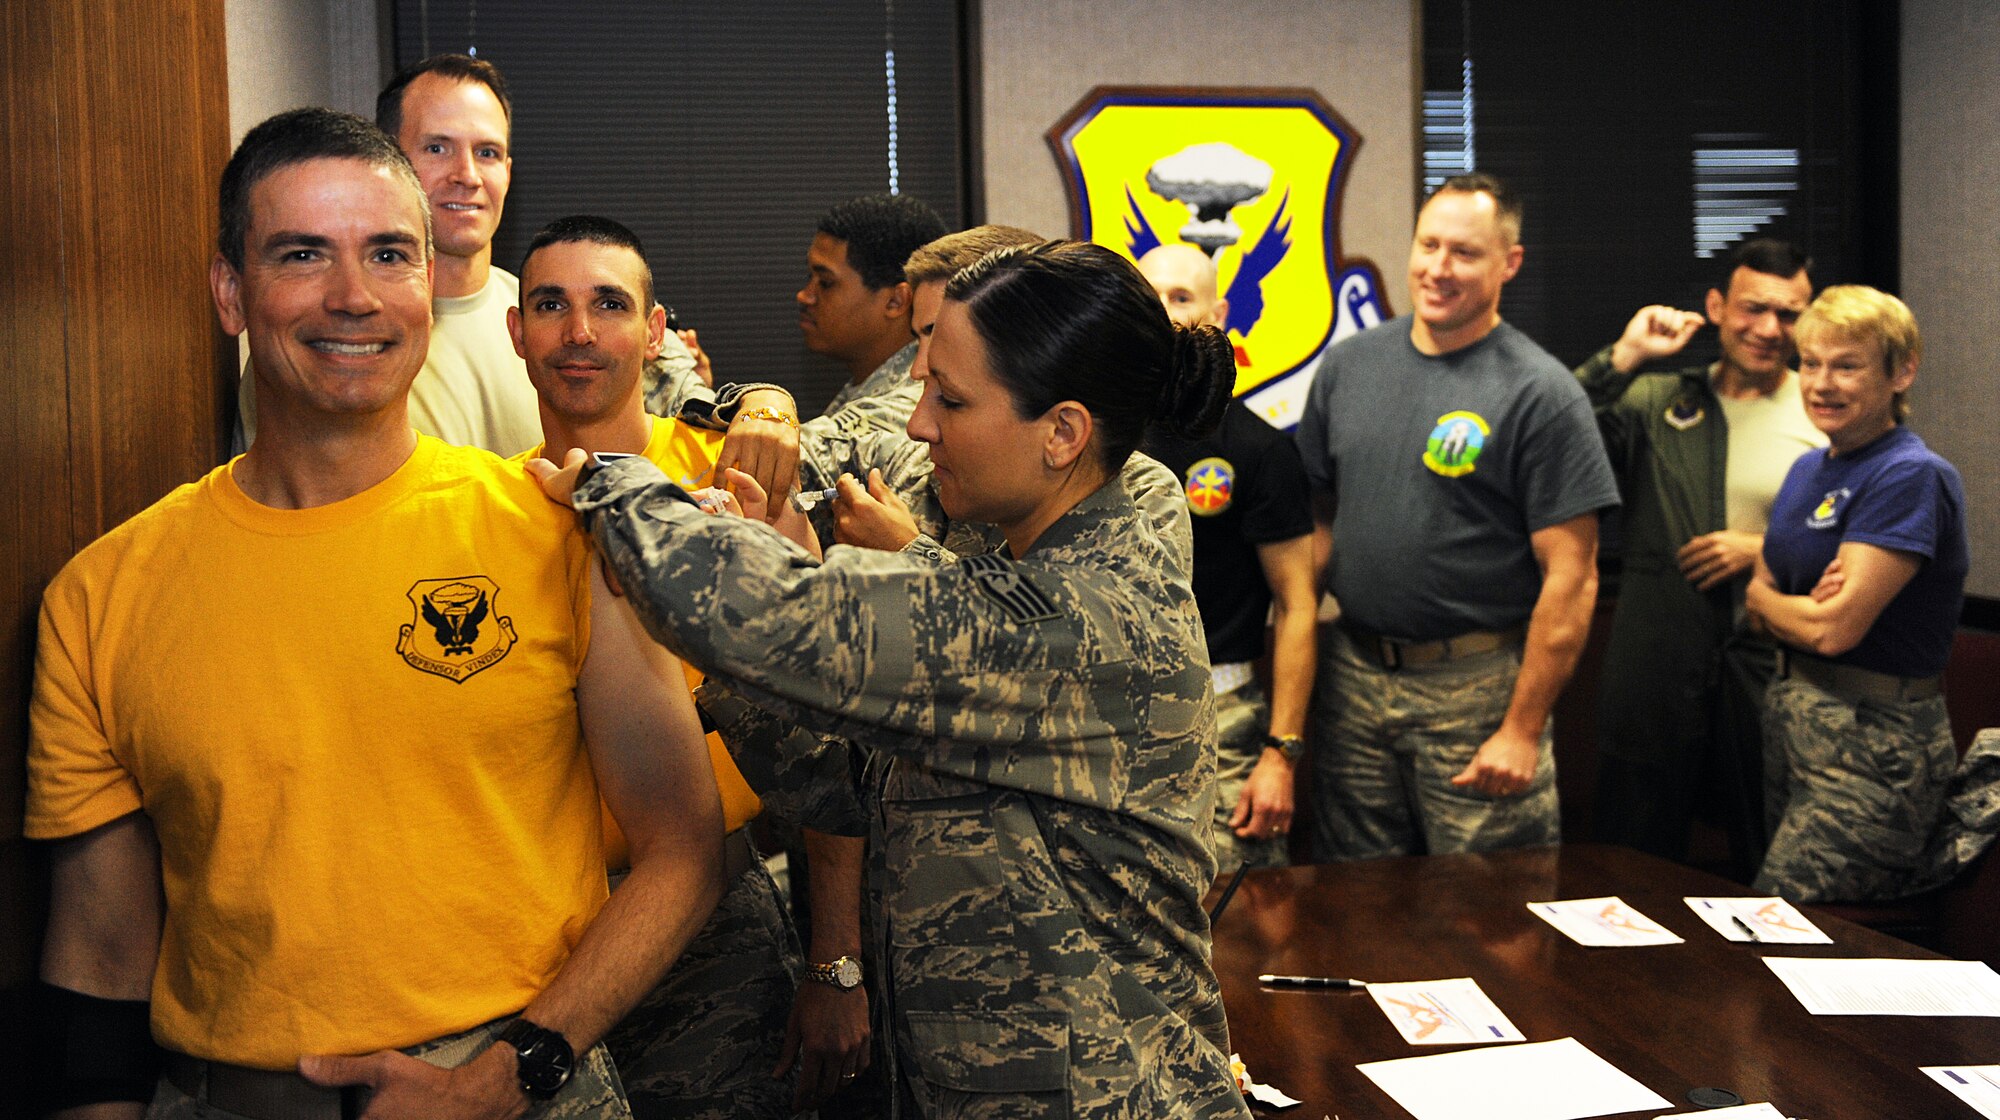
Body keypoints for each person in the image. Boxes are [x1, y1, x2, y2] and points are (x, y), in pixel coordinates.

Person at [28, 108, 723, 1120]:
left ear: (429, 290)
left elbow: (683, 847)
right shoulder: (101, 595)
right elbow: (98, 949)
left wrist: (510, 1070)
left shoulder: (556, 533)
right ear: (232, 292)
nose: (352, 297)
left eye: (389, 254)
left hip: (521, 1088)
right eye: (302, 254)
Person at [531, 241, 1251, 1119]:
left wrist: (615, 486)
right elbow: (855, 791)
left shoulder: (1075, 618)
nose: (918, 423)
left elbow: (756, 613)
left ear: (1063, 433)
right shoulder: (1014, 547)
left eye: (950, 398)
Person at [505, 215, 806, 1119]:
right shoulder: (498, 512)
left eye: (609, 305)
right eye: (550, 306)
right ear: (517, 333)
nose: (581, 333)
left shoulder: (738, 475)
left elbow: (824, 748)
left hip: (720, 922)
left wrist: (838, 965)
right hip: (553, 923)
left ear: (656, 329)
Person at [1295, 173, 1620, 860]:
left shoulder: (1543, 393)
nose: (1438, 269)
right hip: (1354, 676)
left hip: (1477, 693)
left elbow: (1573, 577)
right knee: (1354, 899)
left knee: (1489, 916)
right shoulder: (1349, 366)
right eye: (1428, 245)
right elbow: (1317, 516)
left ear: (1510, 262)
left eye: (1465, 253)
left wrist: (1522, 728)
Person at [1576, 239, 1825, 872]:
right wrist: (1627, 355)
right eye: (1752, 309)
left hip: (1770, 665)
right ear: (1716, 306)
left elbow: (1869, 530)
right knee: (1630, 864)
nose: (1769, 329)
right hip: (1659, 660)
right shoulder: (1658, 401)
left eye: (1789, 314)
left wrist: (1764, 546)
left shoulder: (1826, 409)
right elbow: (1559, 430)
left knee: (1762, 862)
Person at [1746, 285, 1968, 903]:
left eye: (1846, 366)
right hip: (1796, 718)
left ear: (1902, 373)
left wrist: (1774, 603)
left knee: (1790, 929)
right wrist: (1783, 602)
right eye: (1809, 363)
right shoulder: (1808, 469)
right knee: (1787, 935)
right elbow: (1762, 596)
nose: (1822, 384)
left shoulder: (1910, 474)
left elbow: (1830, 630)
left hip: (1875, 744)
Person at [1136, 244, 1316, 870]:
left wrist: (1280, 754)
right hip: (1112, 714)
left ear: (1219, 314)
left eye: (1181, 298)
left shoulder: (1260, 451)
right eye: (1150, 295)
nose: (1164, 313)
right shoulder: (1087, 437)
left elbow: (1298, 605)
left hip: (1225, 722)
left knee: (1236, 919)